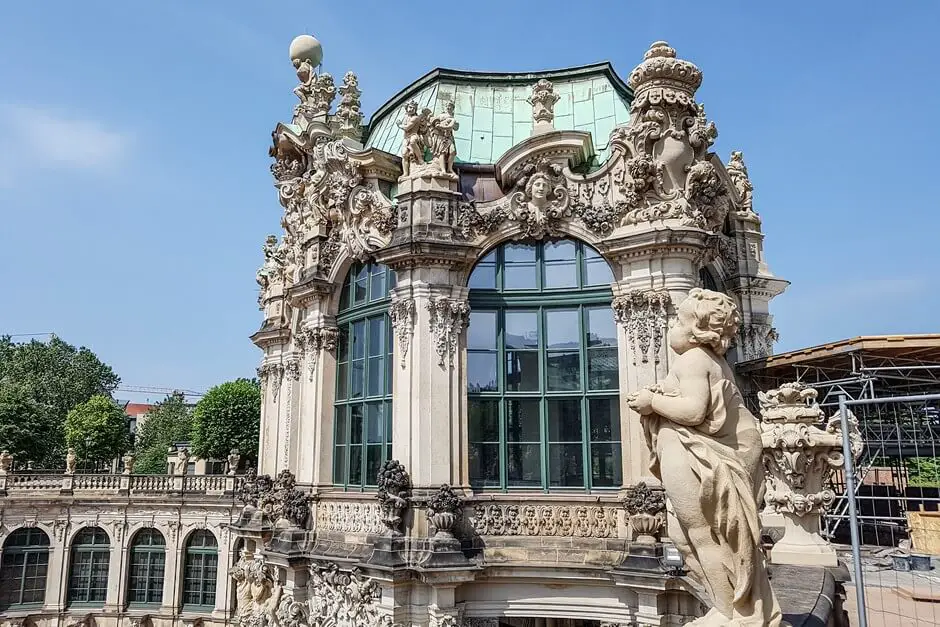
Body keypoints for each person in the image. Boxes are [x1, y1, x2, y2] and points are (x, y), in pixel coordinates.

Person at [627, 288, 782, 626]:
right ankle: (730, 605)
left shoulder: (695, 359)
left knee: (703, 536)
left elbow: (695, 411)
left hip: (709, 458)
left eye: (678, 320)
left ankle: (731, 612)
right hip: (710, 454)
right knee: (693, 537)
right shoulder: (709, 361)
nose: (672, 327)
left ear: (695, 328)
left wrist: (651, 402)